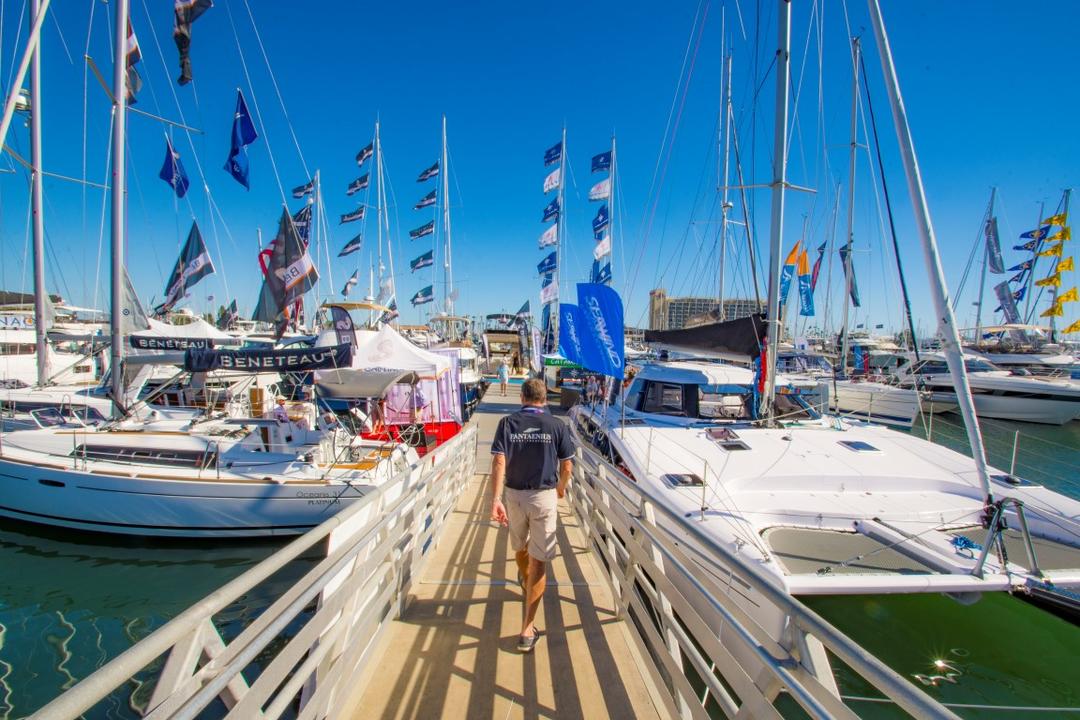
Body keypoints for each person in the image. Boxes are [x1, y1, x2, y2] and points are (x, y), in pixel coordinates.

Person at [489, 379, 576, 653]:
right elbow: (568, 466)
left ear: (523, 397)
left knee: (519, 547)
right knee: (540, 561)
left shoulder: (507, 424)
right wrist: (561, 489)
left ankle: (525, 578)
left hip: (514, 496)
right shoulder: (557, 426)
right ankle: (527, 629)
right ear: (544, 399)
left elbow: (499, 460)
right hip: (543, 498)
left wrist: (495, 500)